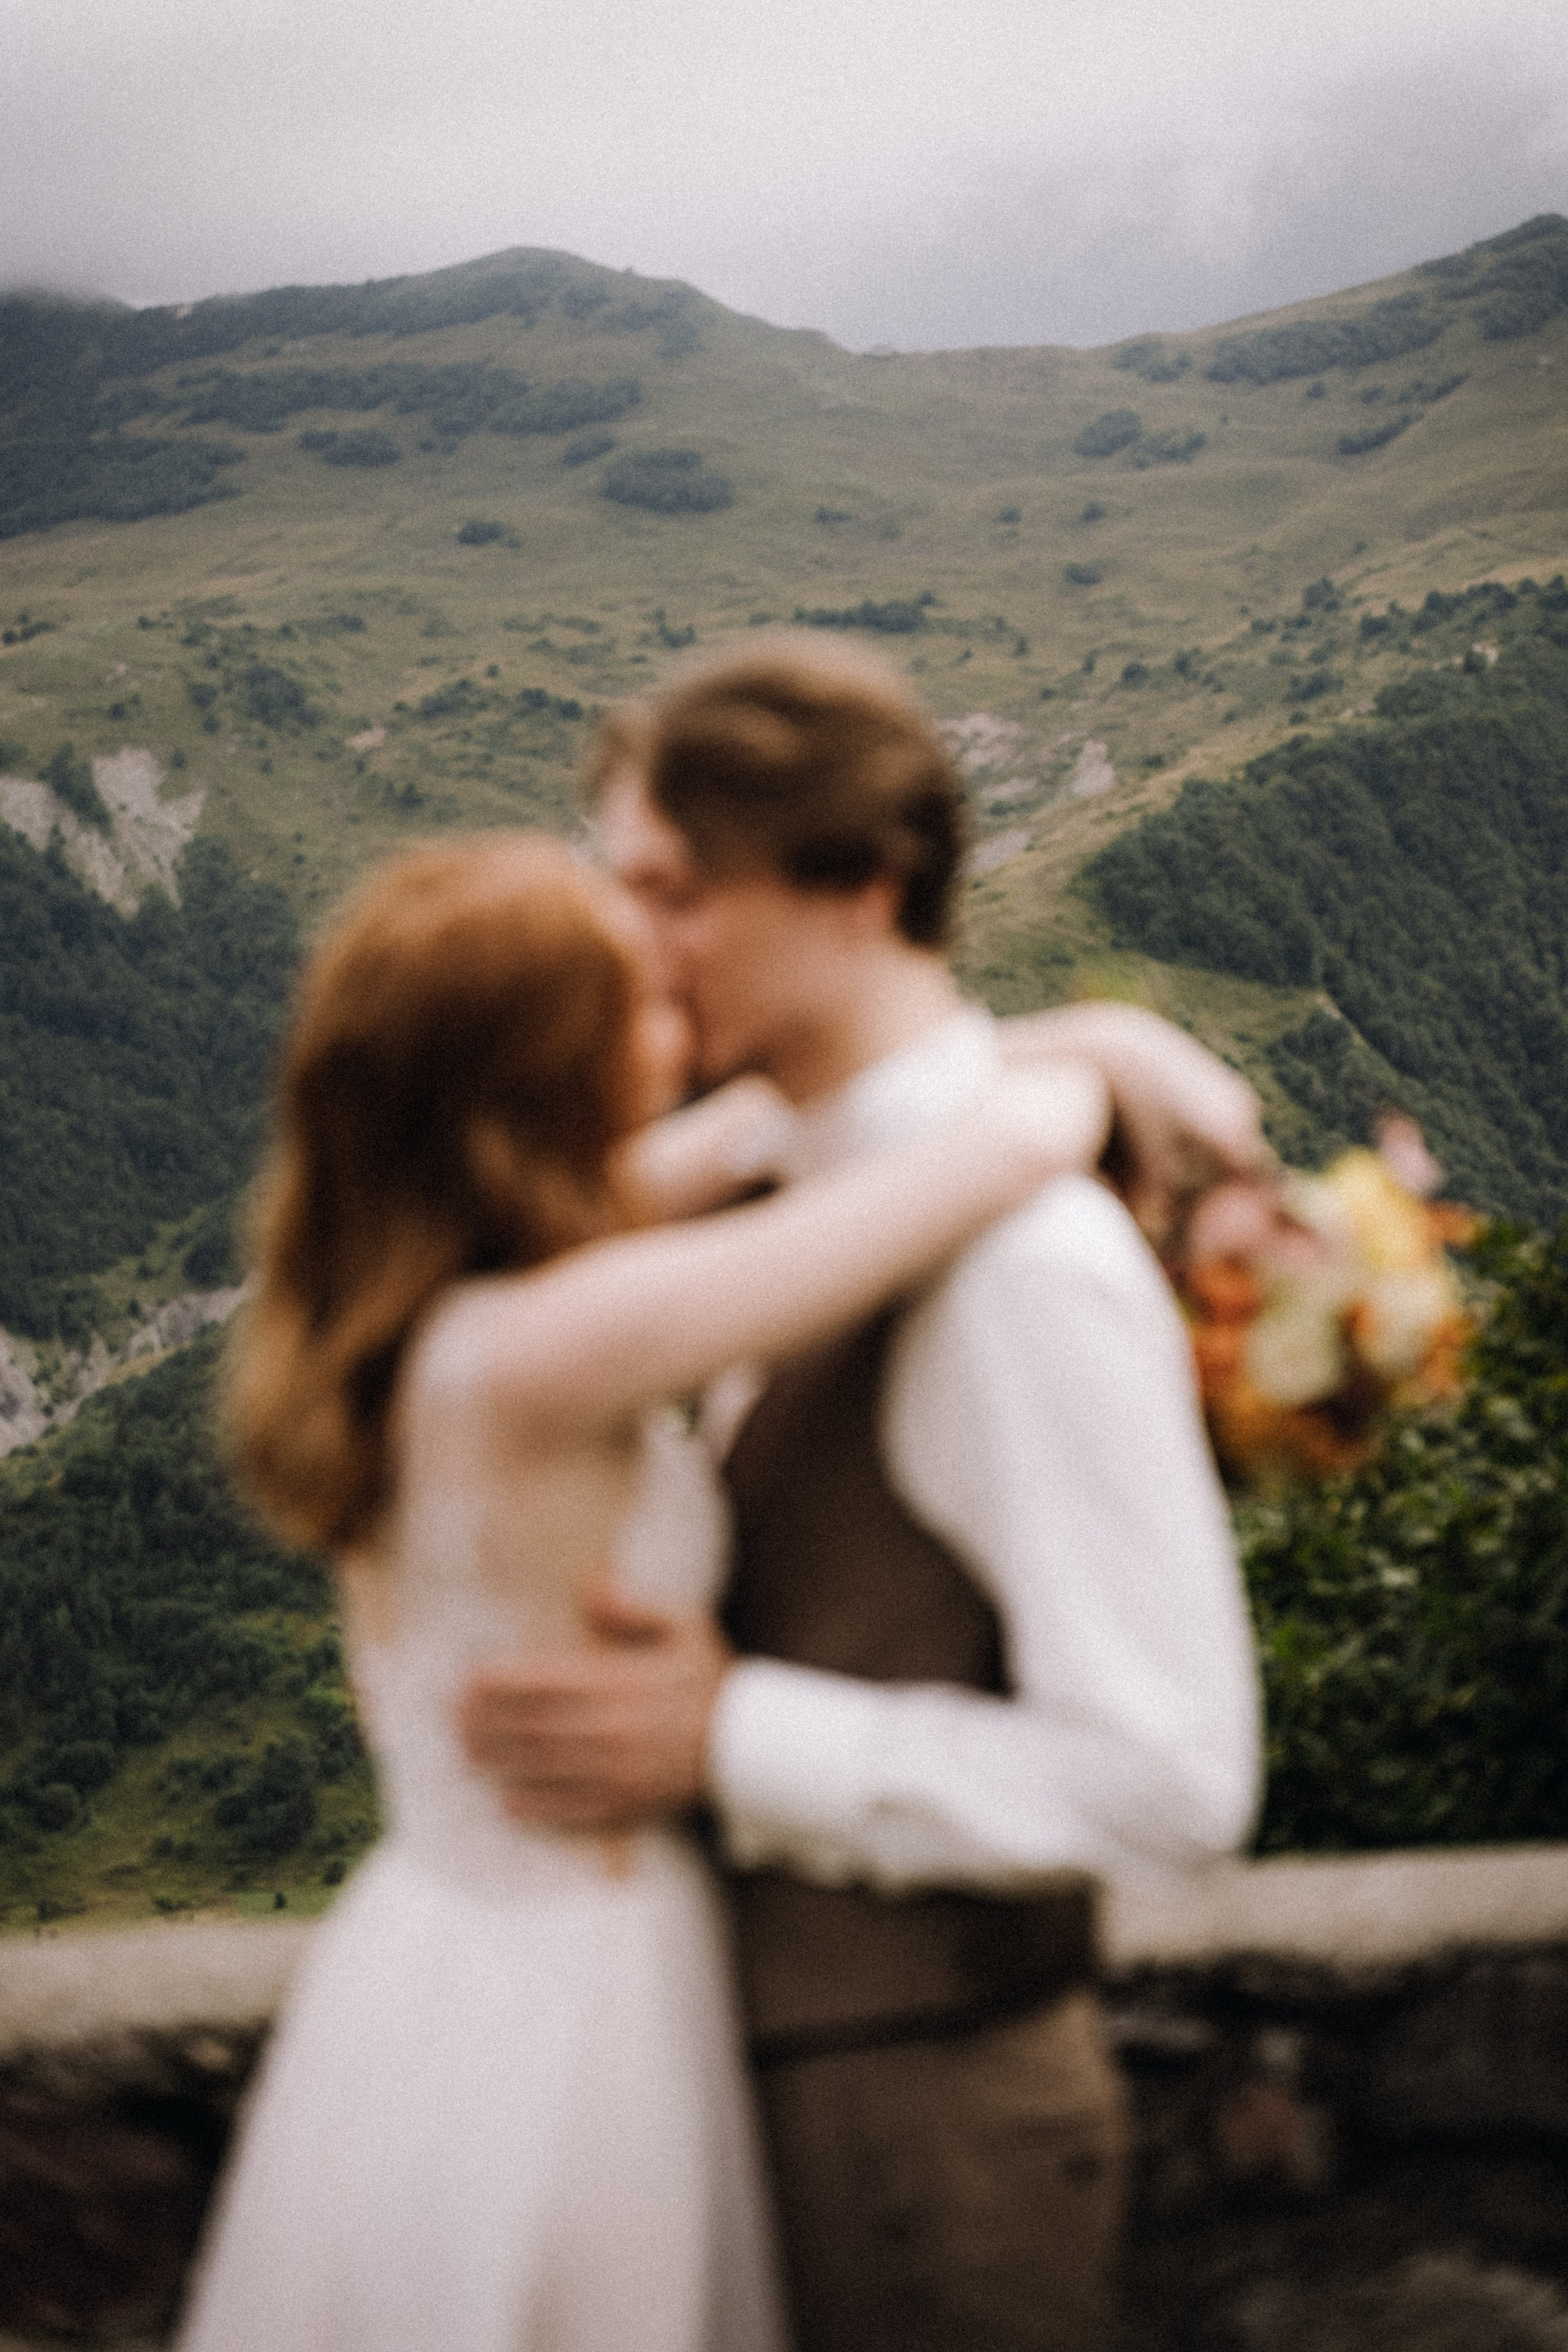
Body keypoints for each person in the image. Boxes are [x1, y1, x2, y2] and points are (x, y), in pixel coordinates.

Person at [178, 830, 1122, 2352]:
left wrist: (1003, 1052)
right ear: (545, 1075)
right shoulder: (546, 1348)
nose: (682, 1031)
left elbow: (759, 1131)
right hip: (572, 1999)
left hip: (445, 1953)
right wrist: (1122, 1063)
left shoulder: (429, 1303)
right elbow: (978, 1167)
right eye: (641, 1008)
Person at [459, 642, 1267, 2352]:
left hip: (935, 2139)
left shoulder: (1021, 1274)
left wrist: (727, 1738)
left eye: (675, 892)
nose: (630, 946)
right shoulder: (817, 1190)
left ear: (860, 886)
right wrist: (1099, 1035)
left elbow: (1175, 1778)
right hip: (783, 2097)